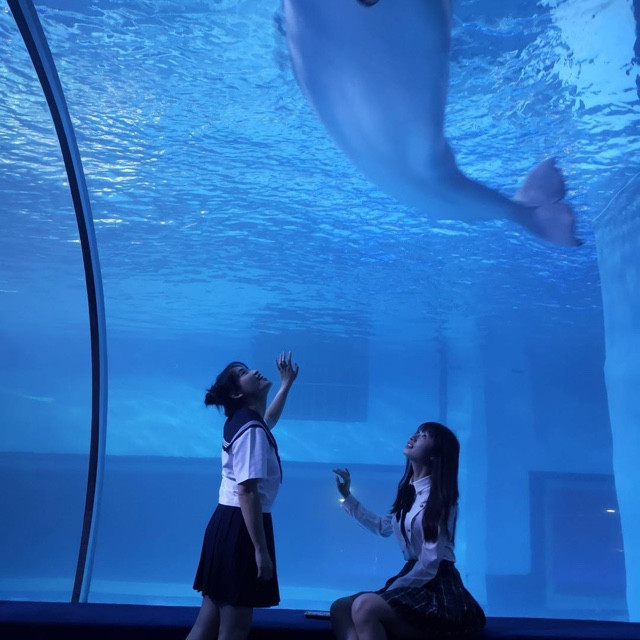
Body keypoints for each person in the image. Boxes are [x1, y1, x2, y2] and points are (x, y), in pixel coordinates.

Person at [331, 421, 485, 640]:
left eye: (423, 436)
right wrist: (347, 496)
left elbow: (429, 564)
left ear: (435, 455)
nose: (413, 437)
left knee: (365, 606)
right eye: (417, 433)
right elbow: (382, 527)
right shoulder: (409, 492)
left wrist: (394, 588)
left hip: (437, 583)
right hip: (412, 575)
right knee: (340, 607)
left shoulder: (441, 499)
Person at [186, 352, 299, 640]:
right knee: (233, 631)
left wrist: (286, 385)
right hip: (242, 529)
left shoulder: (244, 420)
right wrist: (261, 551)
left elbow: (268, 419)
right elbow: (247, 491)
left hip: (227, 524)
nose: (254, 371)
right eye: (242, 373)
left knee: (206, 625)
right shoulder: (250, 429)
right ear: (237, 392)